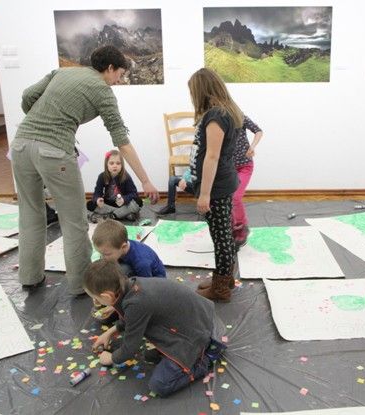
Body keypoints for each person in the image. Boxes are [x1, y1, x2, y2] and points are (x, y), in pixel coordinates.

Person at [10, 45, 158, 295]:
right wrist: (145, 180)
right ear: (109, 68)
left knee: (30, 213)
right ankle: (81, 285)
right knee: (74, 221)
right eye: (119, 74)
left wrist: (38, 120)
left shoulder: (62, 72)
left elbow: (27, 95)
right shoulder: (103, 91)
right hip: (55, 151)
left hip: (20, 146)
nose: (118, 80)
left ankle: (30, 277)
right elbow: (121, 140)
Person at [86, 259, 225, 397]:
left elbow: (129, 349)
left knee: (159, 385)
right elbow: (130, 317)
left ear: (107, 296)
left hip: (203, 333)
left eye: (96, 298)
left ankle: (205, 359)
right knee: (149, 355)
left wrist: (112, 358)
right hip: (201, 318)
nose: (96, 301)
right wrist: (110, 332)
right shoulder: (131, 285)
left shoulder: (136, 303)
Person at [187, 68, 241, 302]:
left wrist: (205, 194)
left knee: (221, 238)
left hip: (216, 187)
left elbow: (212, 156)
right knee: (224, 234)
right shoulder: (226, 111)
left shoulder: (216, 116)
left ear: (202, 91)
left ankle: (220, 289)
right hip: (222, 182)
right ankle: (224, 277)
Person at [92, 219, 165, 278]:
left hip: (154, 280)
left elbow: (146, 285)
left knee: (120, 273)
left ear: (123, 246)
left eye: (106, 254)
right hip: (137, 268)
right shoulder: (120, 244)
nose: (103, 258)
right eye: (100, 253)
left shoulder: (142, 263)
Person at [231, 115, 263, 250]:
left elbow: (258, 131)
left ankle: (242, 226)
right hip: (228, 167)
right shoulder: (217, 120)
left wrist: (252, 146)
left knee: (235, 197)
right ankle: (232, 227)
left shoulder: (240, 117)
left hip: (245, 166)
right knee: (227, 198)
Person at [87, 149, 142, 222]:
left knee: (138, 201)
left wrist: (124, 199)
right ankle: (123, 214)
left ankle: (111, 215)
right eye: (111, 163)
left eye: (118, 163)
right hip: (109, 203)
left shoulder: (126, 177)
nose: (115, 166)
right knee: (90, 204)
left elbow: (134, 194)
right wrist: (97, 200)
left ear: (122, 165)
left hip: (122, 204)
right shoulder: (102, 176)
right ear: (107, 164)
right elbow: (97, 193)